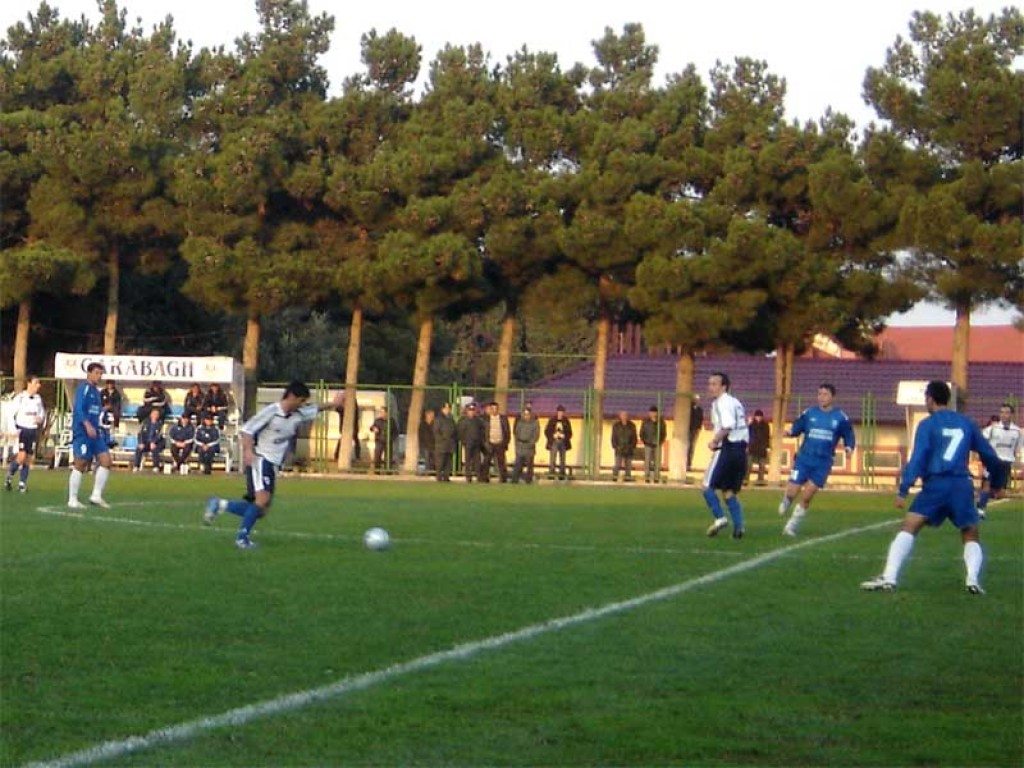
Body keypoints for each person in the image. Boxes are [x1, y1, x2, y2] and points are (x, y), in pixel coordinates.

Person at [861, 380, 1001, 594]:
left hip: (936, 484)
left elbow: (918, 458)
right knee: (970, 533)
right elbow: (989, 454)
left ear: (930, 399)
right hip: (961, 484)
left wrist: (904, 489)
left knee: (909, 527)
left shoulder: (927, 424)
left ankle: (889, 577)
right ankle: (972, 579)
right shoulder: (967, 422)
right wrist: (997, 482)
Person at [204, 381, 343, 549]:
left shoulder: (298, 413)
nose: (302, 405)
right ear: (291, 396)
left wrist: (333, 404)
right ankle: (242, 539)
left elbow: (316, 408)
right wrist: (248, 451)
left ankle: (220, 504)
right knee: (262, 499)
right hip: (261, 459)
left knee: (261, 510)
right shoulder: (271, 411)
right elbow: (248, 430)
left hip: (272, 464)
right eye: (301, 401)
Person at [777, 383, 856, 536]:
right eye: (819, 394)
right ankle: (787, 499)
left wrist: (849, 447)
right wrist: (790, 432)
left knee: (808, 495)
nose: (821, 397)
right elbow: (798, 425)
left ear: (832, 397)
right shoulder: (810, 413)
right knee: (792, 491)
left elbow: (849, 434)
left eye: (825, 394)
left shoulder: (840, 417)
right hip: (804, 459)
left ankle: (791, 526)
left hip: (823, 463)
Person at [702, 372, 749, 539]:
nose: (710, 387)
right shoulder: (736, 402)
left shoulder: (722, 403)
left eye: (714, 384)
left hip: (727, 449)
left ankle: (720, 518)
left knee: (707, 487)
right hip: (741, 451)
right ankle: (739, 527)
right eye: (709, 383)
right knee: (728, 491)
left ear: (724, 386)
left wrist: (714, 441)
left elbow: (728, 426)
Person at [67, 362, 114, 509]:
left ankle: (96, 496)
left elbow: (95, 411)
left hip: (95, 432)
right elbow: (78, 408)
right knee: (80, 463)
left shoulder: (96, 392)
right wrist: (87, 425)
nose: (99, 376)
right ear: (89, 373)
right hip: (83, 432)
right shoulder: (84, 388)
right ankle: (72, 499)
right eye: (96, 373)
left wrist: (103, 413)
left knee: (106, 460)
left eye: (101, 373)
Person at [977, 403, 1022, 517]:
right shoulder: (992, 429)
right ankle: (981, 509)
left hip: (1005, 463)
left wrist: (1014, 458)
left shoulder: (1017, 431)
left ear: (1011, 415)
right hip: (993, 461)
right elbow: (981, 440)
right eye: (1002, 412)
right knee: (987, 484)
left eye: (1007, 412)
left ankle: (981, 501)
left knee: (999, 492)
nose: (1004, 415)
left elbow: (1017, 448)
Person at [5, 375, 45, 493]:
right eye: (36, 383)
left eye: (39, 383)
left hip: (32, 430)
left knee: (28, 458)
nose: (38, 385)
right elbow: (10, 414)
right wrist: (13, 430)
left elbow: (42, 413)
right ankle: (9, 475)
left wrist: (40, 418)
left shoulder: (38, 398)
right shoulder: (20, 398)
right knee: (21, 456)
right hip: (22, 429)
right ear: (29, 383)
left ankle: (22, 483)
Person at [479, 401, 511, 482]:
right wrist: (485, 443)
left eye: (496, 409)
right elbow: (482, 433)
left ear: (498, 409)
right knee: (486, 462)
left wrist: (505, 442)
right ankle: (484, 478)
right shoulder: (485, 419)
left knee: (501, 462)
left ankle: (503, 478)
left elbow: (507, 431)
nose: (494, 410)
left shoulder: (503, 419)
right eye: (492, 409)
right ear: (490, 409)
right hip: (489, 443)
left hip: (500, 443)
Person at [511, 406, 541, 484]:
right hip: (520, 448)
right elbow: (516, 433)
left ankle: (528, 481)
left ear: (530, 415)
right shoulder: (520, 423)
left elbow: (536, 435)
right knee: (518, 465)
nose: (526, 416)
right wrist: (518, 444)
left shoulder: (535, 423)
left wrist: (530, 443)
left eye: (527, 414)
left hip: (529, 449)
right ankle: (514, 480)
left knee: (529, 466)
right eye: (525, 414)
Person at [456, 403, 484, 482]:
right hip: (468, 443)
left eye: (473, 410)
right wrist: (464, 441)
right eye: (470, 410)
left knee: (477, 460)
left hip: (477, 444)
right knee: (468, 460)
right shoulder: (463, 420)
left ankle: (479, 476)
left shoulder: (478, 420)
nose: (471, 412)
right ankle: (468, 476)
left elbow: (481, 431)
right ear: (467, 411)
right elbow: (460, 432)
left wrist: (480, 440)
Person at [639, 405, 666, 483]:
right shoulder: (645, 422)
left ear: (657, 413)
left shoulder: (661, 422)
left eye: (654, 412)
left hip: (657, 444)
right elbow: (641, 433)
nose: (653, 414)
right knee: (647, 461)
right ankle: (647, 477)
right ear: (649, 413)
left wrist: (660, 441)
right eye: (651, 412)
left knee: (657, 461)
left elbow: (664, 433)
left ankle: (656, 477)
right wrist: (645, 441)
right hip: (648, 444)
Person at [544, 405, 573, 480]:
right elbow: (547, 431)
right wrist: (553, 435)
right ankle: (551, 472)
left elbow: (570, 433)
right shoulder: (552, 420)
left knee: (562, 458)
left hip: (563, 442)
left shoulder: (566, 421)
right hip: (554, 441)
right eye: (559, 412)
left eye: (562, 412)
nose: (560, 413)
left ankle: (562, 473)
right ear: (557, 412)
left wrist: (564, 436)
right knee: (552, 458)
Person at [134, 408, 165, 472]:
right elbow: (140, 433)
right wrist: (141, 442)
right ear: (151, 414)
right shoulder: (145, 422)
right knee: (139, 449)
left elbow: (159, 435)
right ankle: (136, 466)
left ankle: (156, 466)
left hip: (156, 443)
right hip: (145, 443)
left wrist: (153, 442)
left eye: (157, 414)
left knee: (155, 449)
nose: (155, 415)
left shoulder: (160, 424)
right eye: (154, 414)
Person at [432, 402, 457, 482]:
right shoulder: (438, 419)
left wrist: (453, 439)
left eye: (449, 408)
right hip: (441, 444)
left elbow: (454, 430)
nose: (448, 410)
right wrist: (442, 439)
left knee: (448, 461)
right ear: (442, 409)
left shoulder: (451, 419)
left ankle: (446, 476)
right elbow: (436, 431)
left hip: (450, 444)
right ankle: (439, 476)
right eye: (446, 408)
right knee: (440, 461)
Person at [611, 410, 638, 482]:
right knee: (617, 464)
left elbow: (634, 437)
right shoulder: (616, 426)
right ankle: (615, 476)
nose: (624, 417)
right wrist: (615, 446)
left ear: (627, 416)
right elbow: (613, 437)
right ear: (620, 416)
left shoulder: (632, 425)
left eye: (625, 415)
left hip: (629, 448)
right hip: (619, 448)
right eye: (622, 415)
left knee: (628, 465)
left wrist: (632, 446)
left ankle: (628, 477)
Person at [369, 406, 398, 472]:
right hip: (379, 441)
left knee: (388, 457)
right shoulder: (377, 420)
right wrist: (374, 429)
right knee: (377, 456)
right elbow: (371, 427)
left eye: (383, 412)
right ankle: (377, 471)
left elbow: (395, 432)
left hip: (388, 441)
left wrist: (391, 439)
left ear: (387, 413)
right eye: (381, 412)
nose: (381, 413)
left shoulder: (391, 421)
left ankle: (388, 471)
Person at [746, 409, 770, 486]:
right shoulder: (751, 424)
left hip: (762, 448)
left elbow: (767, 436)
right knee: (748, 464)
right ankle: (745, 479)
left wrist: (767, 446)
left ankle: (760, 480)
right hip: (752, 447)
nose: (758, 418)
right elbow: (746, 433)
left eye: (760, 417)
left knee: (762, 465)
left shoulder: (765, 425)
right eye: (757, 416)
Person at [687, 397, 703, 472]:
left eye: (697, 399)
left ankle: (689, 464)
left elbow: (701, 419)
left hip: (695, 430)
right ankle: (686, 463)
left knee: (692, 447)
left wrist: (699, 428)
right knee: (687, 446)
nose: (696, 401)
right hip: (689, 430)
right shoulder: (689, 409)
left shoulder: (700, 410)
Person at [419, 408, 437, 474]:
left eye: (433, 415)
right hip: (425, 446)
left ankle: (433, 472)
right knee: (427, 460)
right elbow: (420, 436)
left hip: (434, 445)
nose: (432, 417)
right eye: (430, 415)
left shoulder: (435, 424)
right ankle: (427, 472)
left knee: (434, 460)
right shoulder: (422, 424)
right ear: (426, 415)